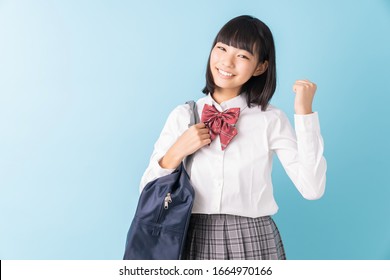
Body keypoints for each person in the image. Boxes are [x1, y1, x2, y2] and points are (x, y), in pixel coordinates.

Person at [139, 15, 327, 260]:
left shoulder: (271, 119)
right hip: (189, 236)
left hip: (253, 238)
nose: (226, 62)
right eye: (222, 48)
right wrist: (177, 151)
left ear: (260, 67)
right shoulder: (183, 115)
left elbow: (312, 189)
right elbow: (147, 191)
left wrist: (304, 114)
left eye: (243, 56)